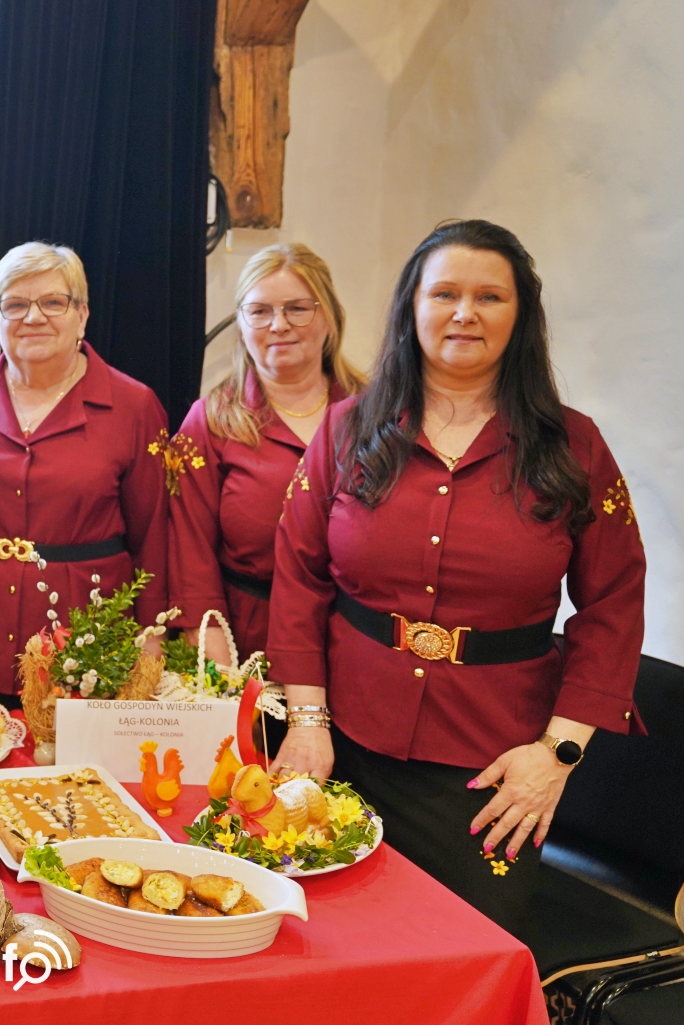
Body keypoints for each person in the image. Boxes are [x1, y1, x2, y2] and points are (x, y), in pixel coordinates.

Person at [268, 220, 646, 939]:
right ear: (412, 308)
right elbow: (300, 578)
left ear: (521, 315)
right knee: (324, 955)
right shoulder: (345, 431)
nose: (464, 313)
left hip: (493, 773)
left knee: (461, 960)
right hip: (340, 748)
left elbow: (615, 609)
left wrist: (557, 757)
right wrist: (309, 724)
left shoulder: (576, 446)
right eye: (444, 293)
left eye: (489, 297)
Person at [0, 242, 170, 700]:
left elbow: (154, 539)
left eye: (53, 303)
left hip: (87, 638)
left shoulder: (135, 405)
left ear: (82, 315)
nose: (33, 317)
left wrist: (151, 648)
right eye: (15, 304)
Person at [167, 244, 364, 662]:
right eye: (259, 311)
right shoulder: (209, 423)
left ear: (329, 316)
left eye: (297, 309)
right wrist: (213, 658)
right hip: (247, 639)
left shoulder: (378, 416)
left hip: (356, 636)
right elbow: (189, 552)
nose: (279, 325)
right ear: (241, 323)